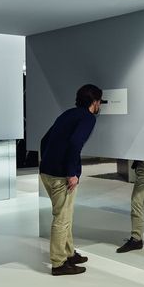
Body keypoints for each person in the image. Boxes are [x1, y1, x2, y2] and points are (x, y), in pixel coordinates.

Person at [39, 84, 103, 276]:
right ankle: (59, 263)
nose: (99, 105)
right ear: (95, 102)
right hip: (61, 176)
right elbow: (75, 143)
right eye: (99, 101)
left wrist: (48, 163)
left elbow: (44, 140)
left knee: (64, 215)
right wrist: (71, 173)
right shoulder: (88, 118)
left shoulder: (68, 114)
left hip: (47, 172)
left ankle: (68, 253)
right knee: (62, 218)